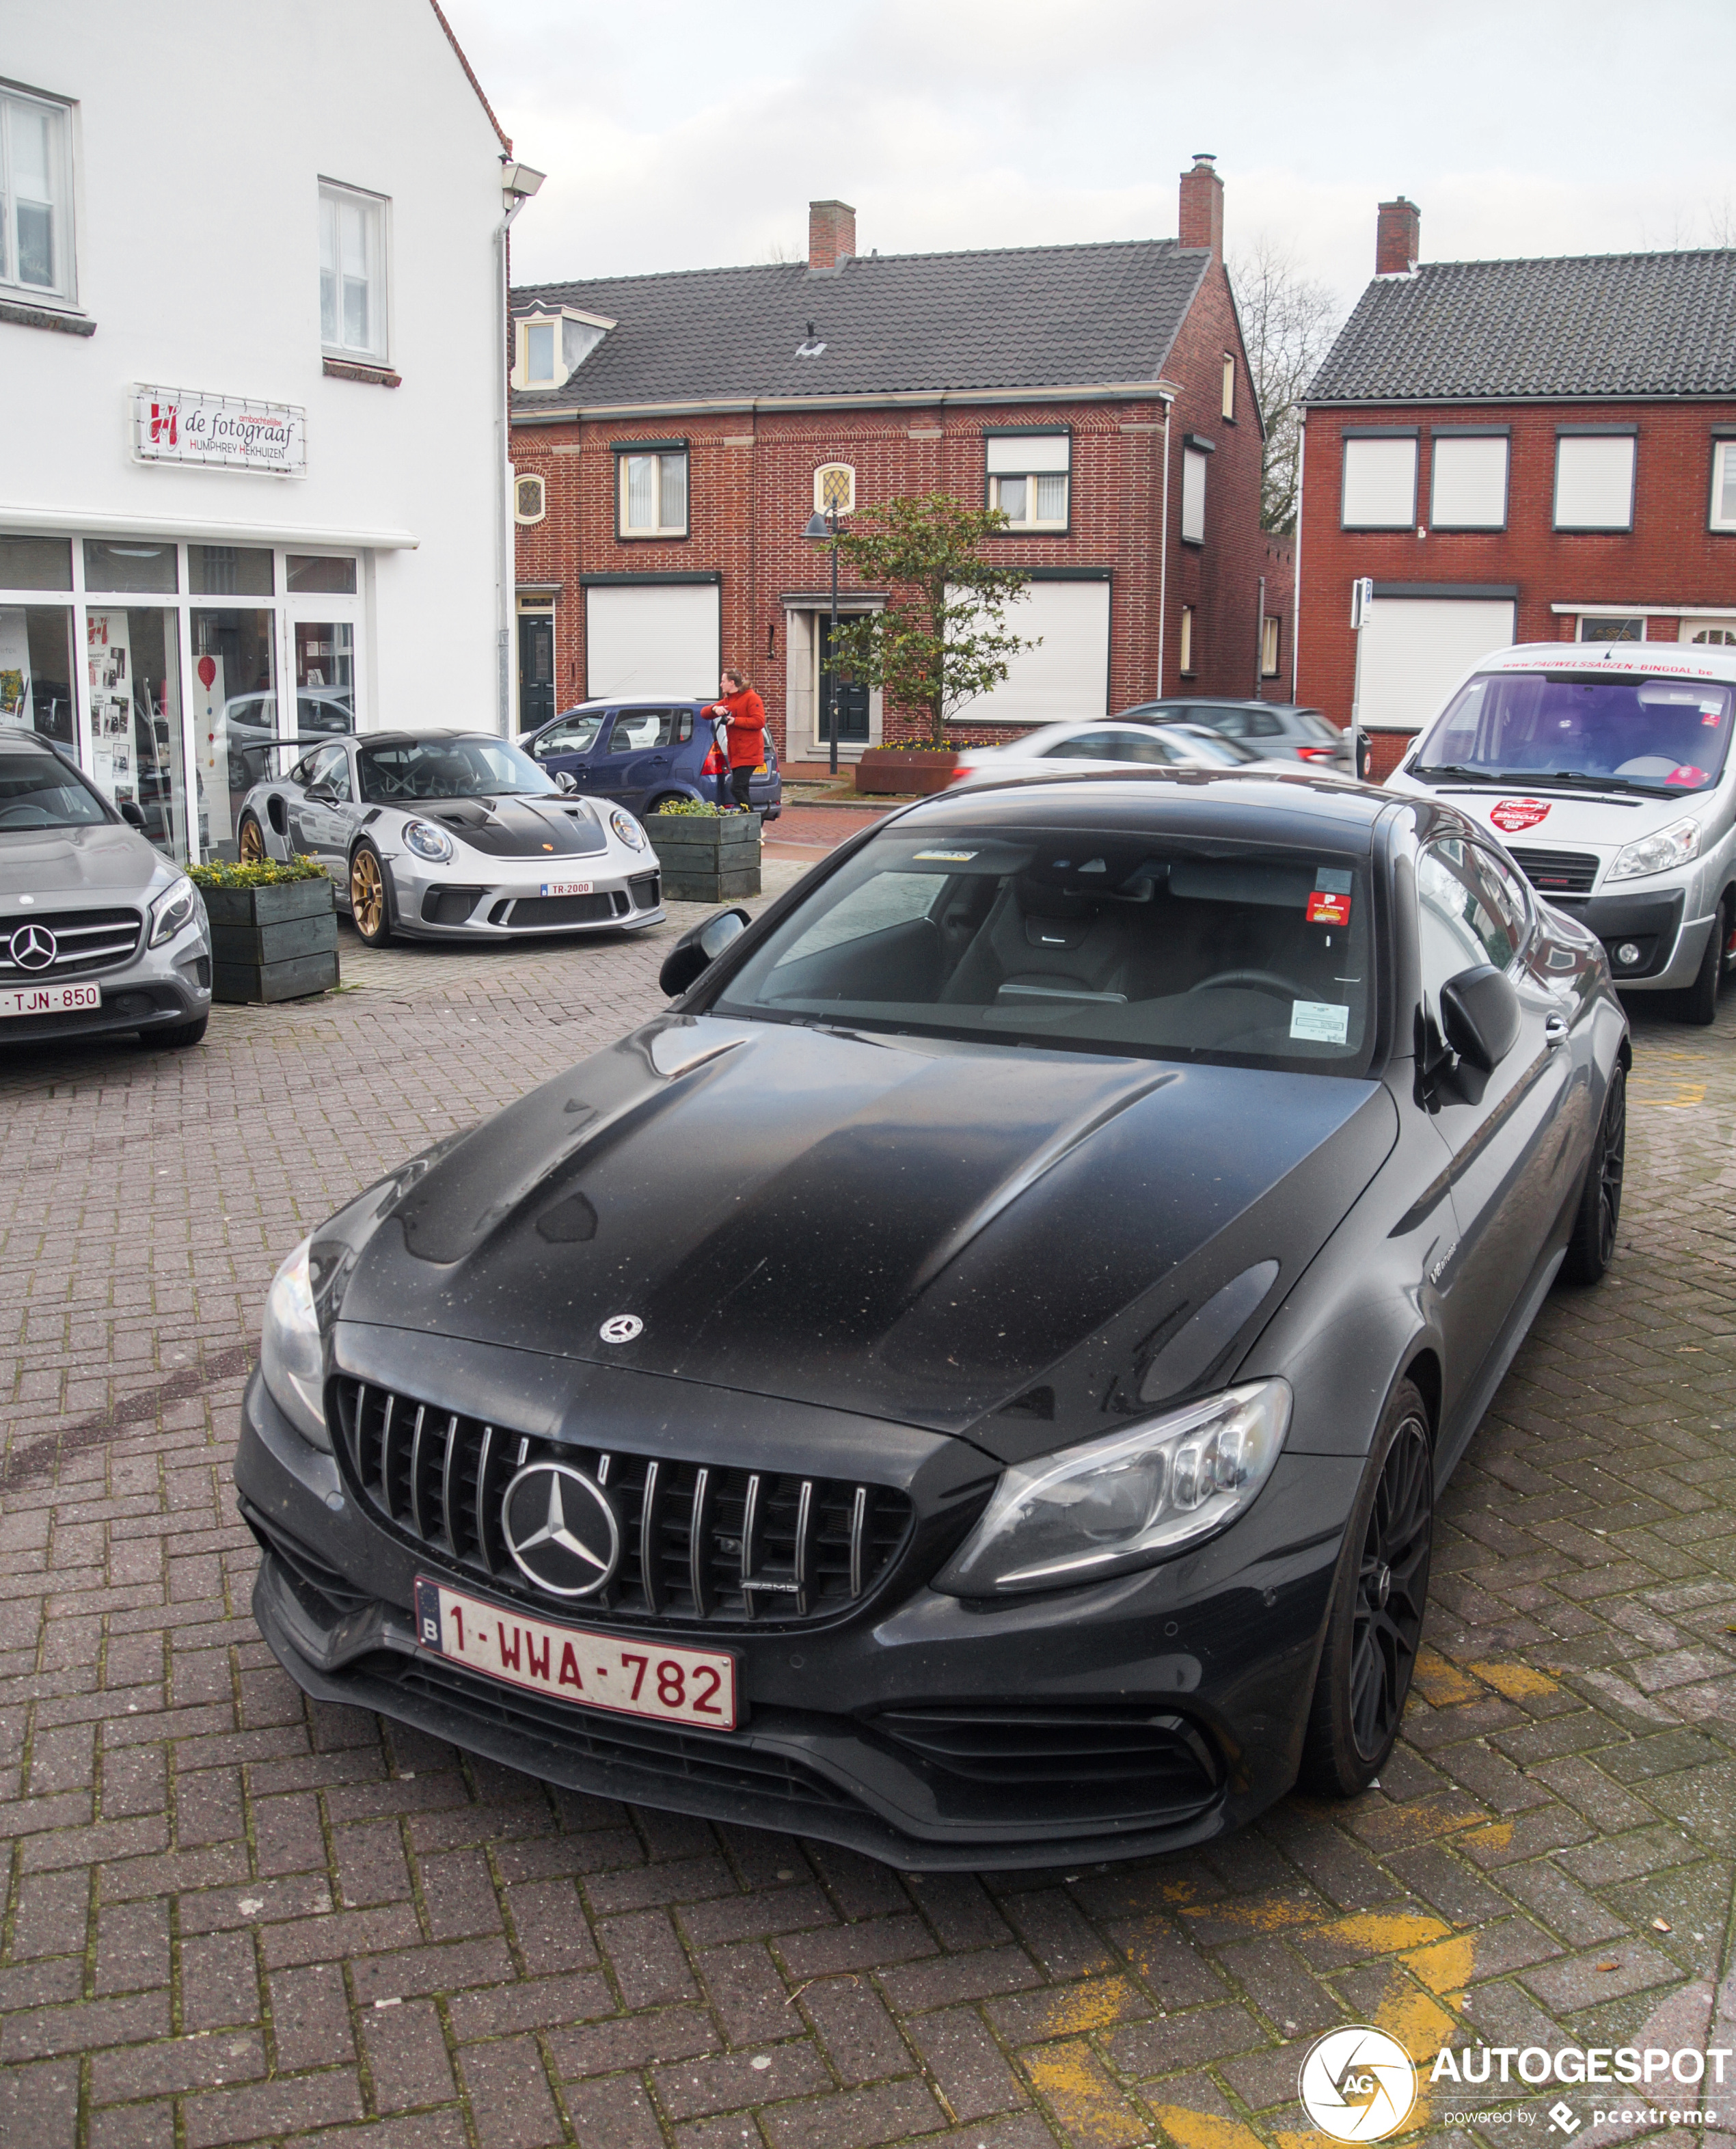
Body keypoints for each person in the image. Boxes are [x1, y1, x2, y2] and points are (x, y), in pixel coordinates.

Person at [709, 668, 766, 810]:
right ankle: (749, 819)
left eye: (723, 682)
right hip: (736, 753)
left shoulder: (751, 698)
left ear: (732, 683)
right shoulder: (728, 700)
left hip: (749, 753)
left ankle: (752, 818)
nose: (721, 685)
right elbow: (705, 713)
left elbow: (759, 722)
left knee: (737, 788)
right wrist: (715, 709)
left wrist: (735, 721)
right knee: (743, 789)